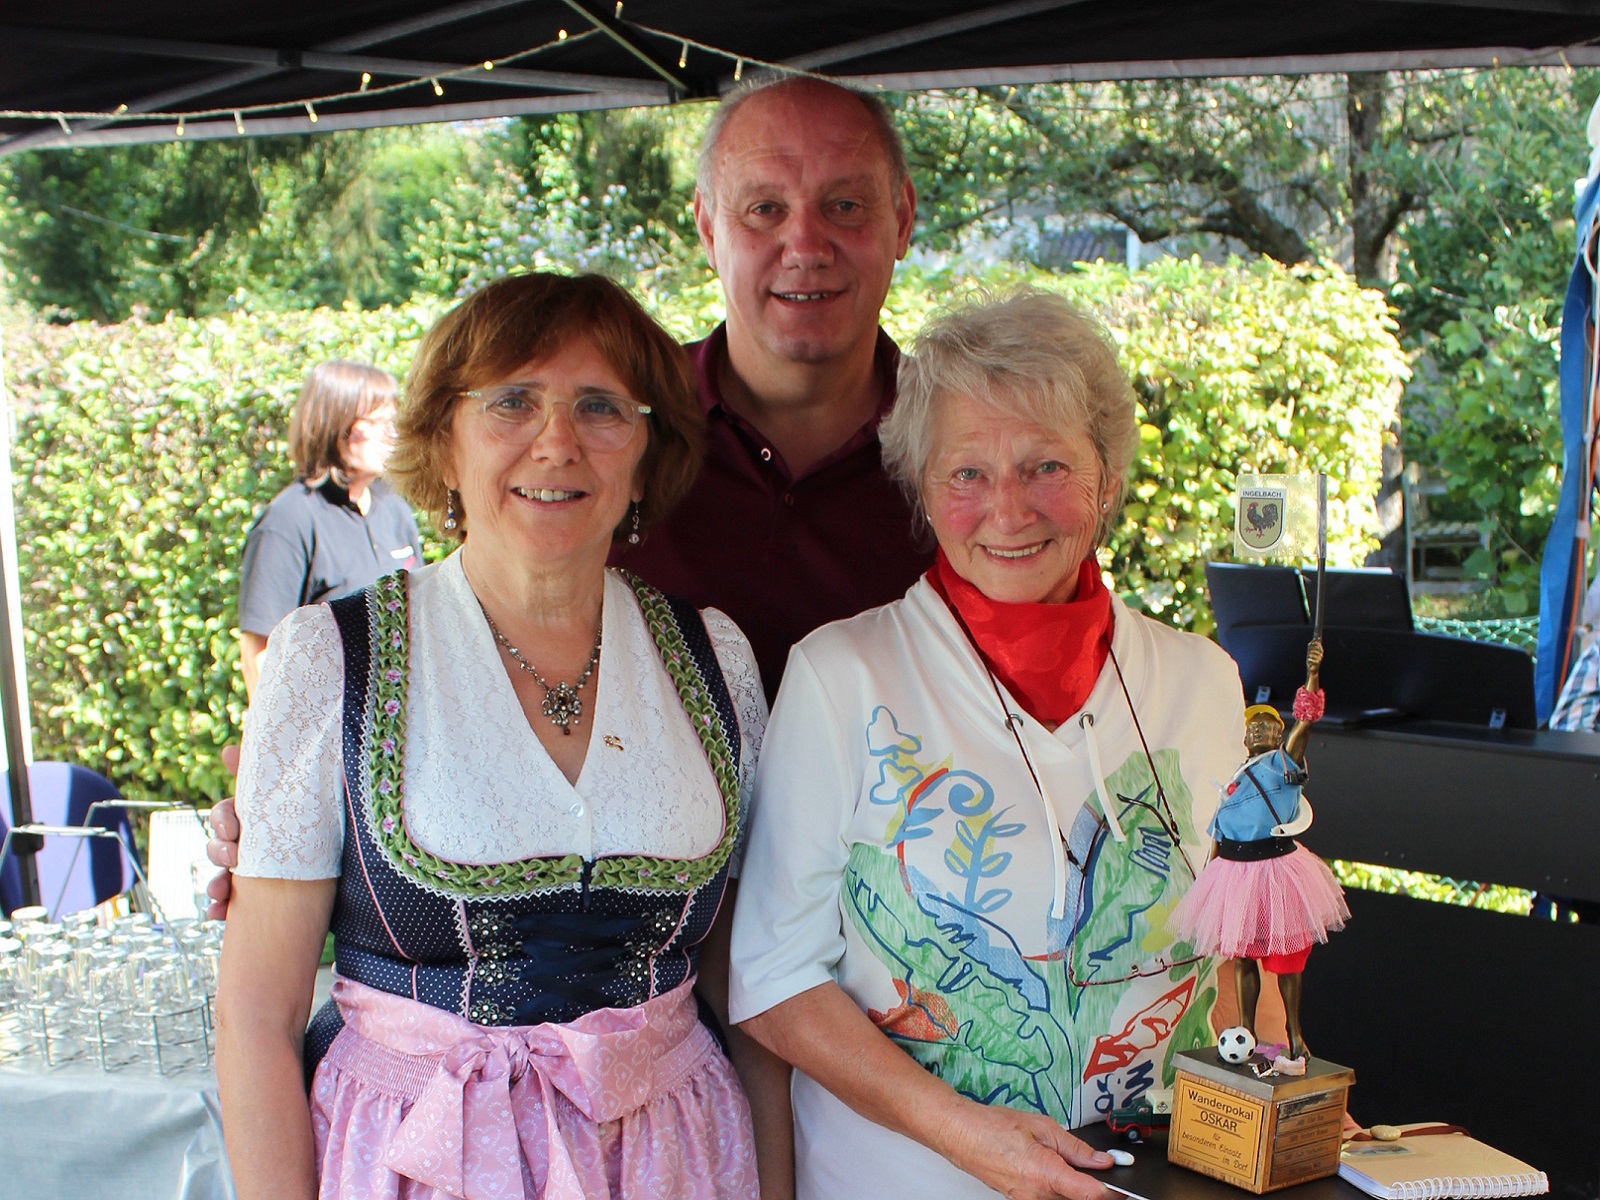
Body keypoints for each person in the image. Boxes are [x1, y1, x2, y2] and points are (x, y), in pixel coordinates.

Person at [215, 273, 782, 1200]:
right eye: (512, 401)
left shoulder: (713, 657)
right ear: (444, 441)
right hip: (418, 1162)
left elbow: (743, 993)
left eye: (601, 407)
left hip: (675, 1162)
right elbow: (255, 1013)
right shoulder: (329, 657)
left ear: (646, 453)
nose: (556, 441)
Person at [727, 290, 1247, 1200]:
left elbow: (1237, 949)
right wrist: (967, 1136)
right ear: (923, 491)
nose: (1007, 509)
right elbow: (772, 977)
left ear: (1109, 479)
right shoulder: (841, 675)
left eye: (1046, 465)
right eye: (966, 473)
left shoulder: (1202, 681)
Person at [611, 75, 931, 697]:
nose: (806, 247)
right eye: (765, 209)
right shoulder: (612, 427)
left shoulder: (977, 444)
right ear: (707, 228)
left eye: (845, 205)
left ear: (902, 219)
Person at [1167, 643, 1349, 1062]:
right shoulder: (1234, 776)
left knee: (1286, 960)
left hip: (1274, 867)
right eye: (1253, 727)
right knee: (1243, 956)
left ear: (1278, 734)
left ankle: (1294, 1031)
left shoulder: (1283, 765)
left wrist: (1313, 676)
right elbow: (1218, 832)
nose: (1259, 732)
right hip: (1234, 869)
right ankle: (1246, 1030)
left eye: (1267, 726)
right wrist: (1209, 880)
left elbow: (1305, 722)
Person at [237, 360, 424, 698]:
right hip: (330, 734)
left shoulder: (394, 508)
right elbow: (260, 655)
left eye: (392, 420)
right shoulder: (289, 520)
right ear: (333, 425)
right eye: (374, 422)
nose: (390, 433)